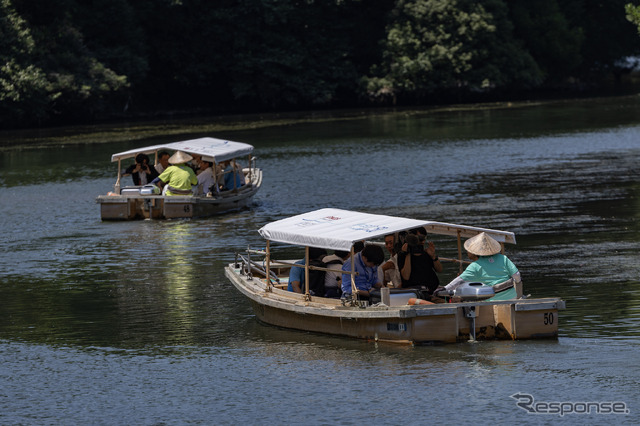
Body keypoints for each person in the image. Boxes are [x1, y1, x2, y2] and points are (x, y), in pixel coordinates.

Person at [443, 232, 521, 294]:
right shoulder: (503, 258)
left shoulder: (475, 266)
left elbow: (458, 282)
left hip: (490, 300)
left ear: (474, 252)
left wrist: (444, 289)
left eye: (469, 249)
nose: (467, 251)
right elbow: (517, 276)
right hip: (511, 297)